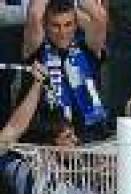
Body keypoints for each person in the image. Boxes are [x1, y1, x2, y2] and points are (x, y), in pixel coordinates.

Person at [23, 0, 110, 142]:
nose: (62, 32)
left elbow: (99, 16)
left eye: (68, 25)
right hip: (47, 139)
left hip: (91, 137)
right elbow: (34, 14)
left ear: (76, 25)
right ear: (45, 26)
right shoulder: (36, 50)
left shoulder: (87, 48)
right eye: (55, 26)